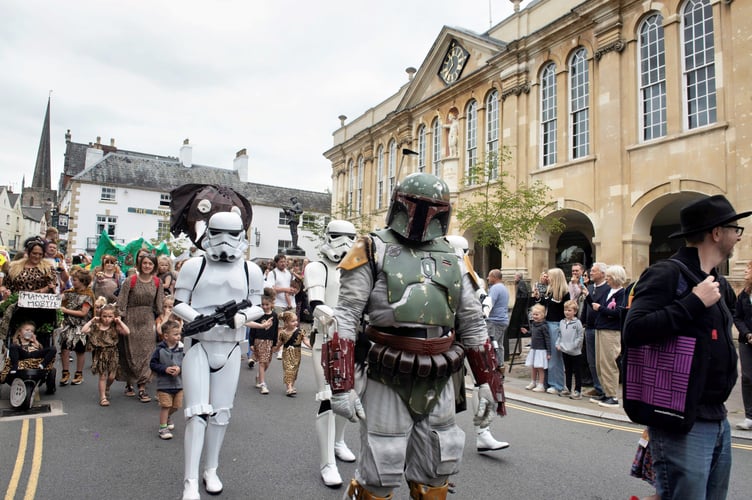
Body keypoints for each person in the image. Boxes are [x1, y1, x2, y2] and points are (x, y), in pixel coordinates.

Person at [327, 173, 505, 500]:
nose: (422, 216)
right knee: (383, 463)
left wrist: (488, 382)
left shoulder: (453, 255)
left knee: (440, 462)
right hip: (386, 372)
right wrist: (341, 385)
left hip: (441, 373)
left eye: (432, 208)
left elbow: (473, 322)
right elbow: (346, 315)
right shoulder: (371, 246)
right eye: (416, 206)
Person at [623, 194, 746, 500]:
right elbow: (634, 330)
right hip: (680, 421)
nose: (738, 236)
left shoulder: (719, 283)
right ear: (716, 233)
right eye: (735, 228)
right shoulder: (667, 273)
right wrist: (692, 302)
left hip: (717, 418)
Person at [172, 209, 264, 500]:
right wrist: (200, 318)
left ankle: (211, 469)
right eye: (218, 233)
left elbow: (258, 305)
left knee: (221, 414)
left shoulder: (251, 270)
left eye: (232, 234)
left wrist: (239, 318)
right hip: (199, 344)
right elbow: (178, 303)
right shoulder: (193, 267)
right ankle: (189, 481)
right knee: (197, 414)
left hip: (232, 346)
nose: (225, 241)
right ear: (207, 232)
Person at [304, 219, 358, 487]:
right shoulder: (318, 267)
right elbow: (316, 302)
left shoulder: (360, 268)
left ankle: (338, 442)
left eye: (350, 237)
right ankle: (327, 462)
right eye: (338, 236)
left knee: (347, 397)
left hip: (354, 341)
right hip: (325, 340)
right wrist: (333, 317)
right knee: (328, 398)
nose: (344, 244)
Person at [117, 253, 163, 402]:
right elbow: (121, 302)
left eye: (150, 263)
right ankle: (130, 382)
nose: (147, 266)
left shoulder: (157, 282)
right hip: (130, 318)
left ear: (154, 265)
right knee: (130, 353)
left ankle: (142, 387)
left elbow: (159, 305)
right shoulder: (130, 280)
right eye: (145, 263)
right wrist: (119, 320)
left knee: (147, 353)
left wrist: (161, 320)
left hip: (147, 319)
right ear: (140, 264)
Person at [0, 237, 58, 347]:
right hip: (19, 306)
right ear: (28, 252)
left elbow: (53, 284)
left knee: (41, 335)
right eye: (34, 253)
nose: (37, 256)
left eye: (40, 254)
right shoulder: (14, 267)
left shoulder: (48, 268)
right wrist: (5, 292)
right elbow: (4, 285)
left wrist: (44, 290)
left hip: (41, 308)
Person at [584, 264, 627, 408]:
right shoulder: (609, 292)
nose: (606, 279)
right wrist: (587, 296)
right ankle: (605, 392)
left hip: (611, 331)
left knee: (609, 363)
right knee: (600, 363)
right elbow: (596, 306)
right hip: (600, 328)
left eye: (608, 277)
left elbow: (619, 313)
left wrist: (601, 308)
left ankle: (612, 396)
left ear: (615, 278)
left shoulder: (622, 293)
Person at [83, 303, 130, 406]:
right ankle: (103, 397)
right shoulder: (97, 326)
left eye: (110, 316)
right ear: (100, 315)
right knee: (102, 376)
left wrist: (120, 322)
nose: (107, 319)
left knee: (112, 376)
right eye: (104, 316)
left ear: (114, 317)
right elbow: (84, 330)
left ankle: (107, 387)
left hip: (113, 353)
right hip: (100, 354)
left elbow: (127, 332)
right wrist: (91, 321)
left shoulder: (115, 327)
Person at [533, 267, 570, 395]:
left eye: (550, 276)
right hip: (547, 323)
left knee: (555, 356)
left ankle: (557, 384)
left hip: (556, 325)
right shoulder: (550, 290)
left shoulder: (564, 293)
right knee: (547, 356)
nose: (547, 278)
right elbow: (544, 303)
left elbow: (559, 306)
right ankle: (546, 382)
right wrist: (538, 297)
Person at [56, 268, 94, 386]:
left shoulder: (87, 296)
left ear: (83, 281)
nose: (72, 281)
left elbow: (83, 313)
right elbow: (57, 298)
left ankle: (79, 374)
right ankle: (65, 373)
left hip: (80, 327)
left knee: (79, 351)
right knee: (64, 349)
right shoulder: (70, 292)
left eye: (75, 279)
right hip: (68, 326)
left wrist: (66, 310)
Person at [150, 320, 185, 440]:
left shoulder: (182, 349)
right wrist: (164, 369)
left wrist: (180, 369)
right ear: (166, 336)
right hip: (164, 384)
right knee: (165, 406)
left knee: (176, 406)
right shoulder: (159, 350)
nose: (178, 337)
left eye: (179, 334)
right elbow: (153, 364)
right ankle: (162, 428)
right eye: (175, 334)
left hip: (179, 384)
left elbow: (187, 363)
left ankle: (168, 417)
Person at [581, 262, 608, 399]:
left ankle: (605, 389)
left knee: (601, 361)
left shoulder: (608, 288)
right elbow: (586, 306)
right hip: (589, 328)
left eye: (594, 271)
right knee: (591, 361)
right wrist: (582, 321)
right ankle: (597, 387)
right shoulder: (590, 287)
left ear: (603, 273)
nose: (590, 273)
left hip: (601, 328)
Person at [245, 290, 278, 394]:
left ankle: (259, 377)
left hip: (269, 342)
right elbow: (253, 330)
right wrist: (251, 344)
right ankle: (263, 384)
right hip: (259, 341)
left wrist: (274, 344)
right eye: (263, 304)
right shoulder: (258, 315)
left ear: (271, 304)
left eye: (267, 304)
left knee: (267, 363)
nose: (264, 307)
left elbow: (276, 330)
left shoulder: (275, 315)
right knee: (262, 363)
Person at [733, 260, 752, 430]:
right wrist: (747, 333)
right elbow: (737, 316)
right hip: (746, 341)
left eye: (749, 268)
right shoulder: (744, 294)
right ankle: (749, 416)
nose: (746, 271)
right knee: (747, 377)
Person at [277, 310, 310, 396]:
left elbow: (306, 341)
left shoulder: (300, 331)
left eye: (296, 320)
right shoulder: (283, 333)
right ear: (286, 322)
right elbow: (280, 343)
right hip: (287, 353)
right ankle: (289, 388)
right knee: (288, 369)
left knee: (295, 369)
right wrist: (275, 349)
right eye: (293, 321)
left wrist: (311, 346)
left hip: (297, 353)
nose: (295, 322)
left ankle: (291, 385)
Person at [557, 299, 584, 399]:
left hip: (575, 352)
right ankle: (567, 388)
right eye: (565, 310)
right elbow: (559, 335)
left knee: (577, 372)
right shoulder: (562, 322)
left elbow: (580, 337)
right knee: (567, 370)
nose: (567, 312)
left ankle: (578, 390)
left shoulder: (577, 323)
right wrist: (558, 343)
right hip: (565, 350)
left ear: (575, 312)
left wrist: (574, 345)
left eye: (569, 310)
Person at [485, 269, 510, 371]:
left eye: (489, 276)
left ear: (494, 277)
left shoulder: (495, 288)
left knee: (492, 345)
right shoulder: (504, 288)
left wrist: (484, 313)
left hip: (495, 320)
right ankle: (500, 365)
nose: (487, 278)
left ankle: (494, 367)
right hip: (502, 320)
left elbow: (489, 303)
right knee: (499, 345)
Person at [524, 304, 550, 392]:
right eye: (533, 314)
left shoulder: (544, 326)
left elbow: (547, 339)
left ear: (542, 315)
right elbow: (532, 333)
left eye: (537, 314)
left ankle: (541, 384)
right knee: (533, 367)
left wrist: (549, 352)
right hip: (534, 349)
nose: (534, 316)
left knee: (540, 367)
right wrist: (526, 332)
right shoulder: (534, 324)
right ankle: (533, 382)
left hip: (541, 350)